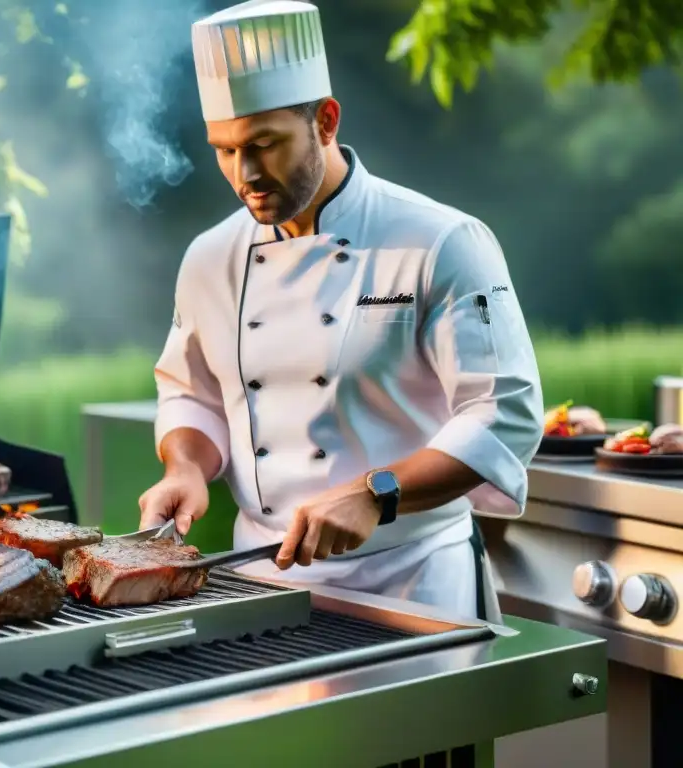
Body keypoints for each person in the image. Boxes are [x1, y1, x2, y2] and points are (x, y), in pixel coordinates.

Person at [137, 0, 544, 622]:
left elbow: (503, 414)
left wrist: (376, 492)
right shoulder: (209, 257)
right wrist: (187, 468)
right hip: (260, 581)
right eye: (224, 150)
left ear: (325, 121)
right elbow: (192, 395)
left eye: (264, 144)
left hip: (410, 581)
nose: (245, 174)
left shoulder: (442, 242)